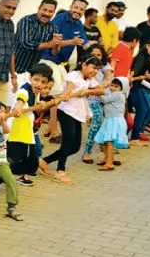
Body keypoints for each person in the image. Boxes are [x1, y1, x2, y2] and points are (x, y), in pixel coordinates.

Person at [38, 57, 103, 185]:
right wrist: (66, 95)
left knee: (75, 146)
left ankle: (44, 161)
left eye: (97, 69)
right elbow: (67, 92)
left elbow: (101, 90)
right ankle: (60, 170)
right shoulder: (74, 75)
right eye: (93, 68)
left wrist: (87, 91)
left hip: (77, 113)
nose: (95, 71)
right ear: (84, 64)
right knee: (68, 140)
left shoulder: (89, 79)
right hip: (66, 111)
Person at [40, 0, 88, 139]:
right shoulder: (60, 19)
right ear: (70, 7)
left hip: (60, 63)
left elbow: (84, 42)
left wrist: (92, 46)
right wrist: (72, 42)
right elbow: (55, 41)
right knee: (58, 96)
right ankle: (54, 132)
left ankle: (50, 129)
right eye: (76, 8)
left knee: (62, 94)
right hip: (48, 59)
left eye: (81, 10)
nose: (78, 11)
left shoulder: (78, 24)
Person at [8, 63, 53, 186]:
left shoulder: (36, 92)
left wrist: (41, 105)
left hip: (27, 130)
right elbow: (20, 100)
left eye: (43, 82)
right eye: (36, 80)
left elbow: (34, 108)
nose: (39, 84)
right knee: (18, 157)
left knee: (30, 156)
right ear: (30, 78)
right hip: (18, 130)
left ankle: (22, 174)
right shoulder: (25, 90)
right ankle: (9, 176)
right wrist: (18, 108)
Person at [14, 0, 61, 93]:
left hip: (32, 73)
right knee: (11, 103)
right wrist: (49, 44)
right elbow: (26, 44)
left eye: (50, 11)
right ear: (39, 8)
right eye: (44, 10)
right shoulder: (26, 21)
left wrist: (57, 44)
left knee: (27, 102)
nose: (47, 14)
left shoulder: (53, 27)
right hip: (13, 70)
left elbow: (53, 53)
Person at [82, 45, 113, 163]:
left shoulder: (105, 66)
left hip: (104, 98)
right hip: (92, 100)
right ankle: (87, 152)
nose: (96, 57)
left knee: (104, 125)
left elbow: (109, 78)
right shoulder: (86, 65)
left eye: (99, 55)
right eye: (93, 54)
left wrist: (102, 86)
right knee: (96, 123)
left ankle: (105, 151)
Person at [129, 39, 150, 145]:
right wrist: (141, 76)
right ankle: (134, 137)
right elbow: (134, 72)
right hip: (135, 87)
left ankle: (135, 136)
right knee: (142, 110)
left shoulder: (146, 57)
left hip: (139, 86)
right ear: (147, 46)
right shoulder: (142, 57)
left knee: (143, 110)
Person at [94, 78, 129, 170]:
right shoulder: (114, 93)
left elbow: (105, 100)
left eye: (116, 86)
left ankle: (109, 164)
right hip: (110, 119)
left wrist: (98, 93)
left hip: (115, 120)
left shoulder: (118, 94)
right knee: (103, 141)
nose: (113, 88)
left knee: (109, 142)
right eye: (112, 85)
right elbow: (105, 92)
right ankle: (108, 158)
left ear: (122, 88)